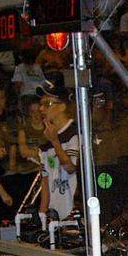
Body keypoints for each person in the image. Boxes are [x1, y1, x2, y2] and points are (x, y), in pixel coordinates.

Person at [35, 78, 80, 227]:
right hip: (54, 218)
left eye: (47, 104)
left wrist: (55, 142)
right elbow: (45, 182)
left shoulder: (75, 133)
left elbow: (71, 167)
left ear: (62, 106)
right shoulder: (45, 141)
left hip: (74, 216)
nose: (41, 109)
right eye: (40, 104)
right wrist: (42, 215)